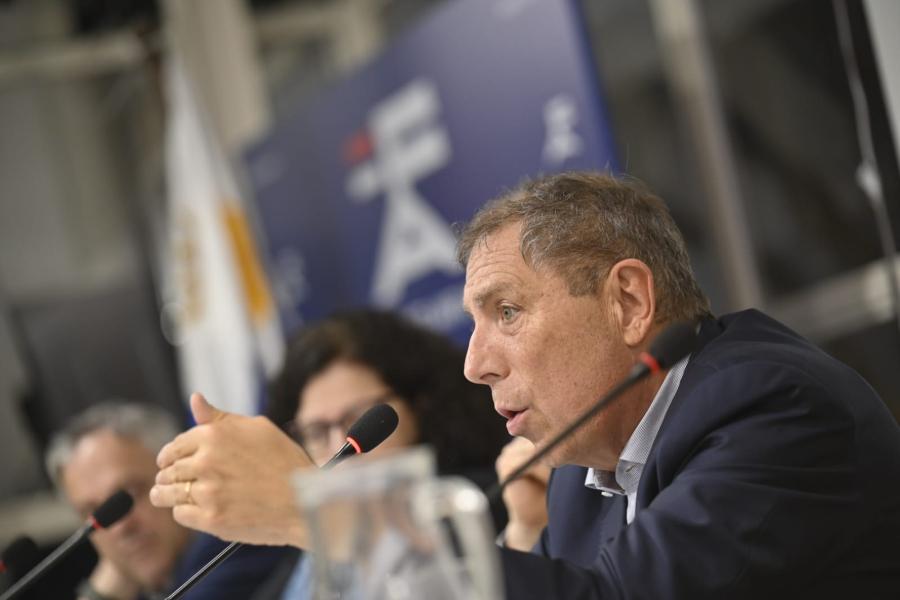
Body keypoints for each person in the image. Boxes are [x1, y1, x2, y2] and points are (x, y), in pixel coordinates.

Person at [149, 172, 900, 598]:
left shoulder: (776, 408)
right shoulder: (581, 476)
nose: (476, 364)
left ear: (629, 302)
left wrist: (310, 511)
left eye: (506, 312)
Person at [252, 309, 509, 598]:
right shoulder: (295, 556)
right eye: (316, 431)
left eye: (359, 418)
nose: (342, 445)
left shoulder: (478, 504)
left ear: (420, 405)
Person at [46, 402, 287, 600]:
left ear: (183, 470)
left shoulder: (237, 544)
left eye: (129, 495)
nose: (121, 527)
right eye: (94, 511)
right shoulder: (152, 587)